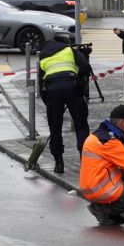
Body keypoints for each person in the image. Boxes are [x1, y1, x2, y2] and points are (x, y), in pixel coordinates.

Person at [38, 36, 90, 173]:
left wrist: (48, 102)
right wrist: (80, 85)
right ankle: (84, 162)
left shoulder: (43, 58)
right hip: (72, 86)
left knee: (55, 128)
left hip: (52, 90)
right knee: (81, 125)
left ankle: (59, 164)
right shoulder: (69, 50)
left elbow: (40, 84)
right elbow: (85, 66)